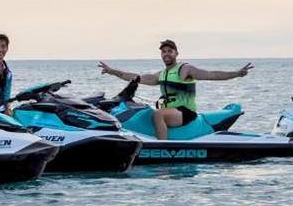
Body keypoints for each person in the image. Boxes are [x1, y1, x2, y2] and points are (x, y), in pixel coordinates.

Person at [98, 40, 253, 139]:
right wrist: (112, 71)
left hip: (186, 113)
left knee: (158, 114)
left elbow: (210, 75)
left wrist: (236, 74)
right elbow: (134, 76)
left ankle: (162, 147)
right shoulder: (162, 74)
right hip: (172, 112)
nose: (166, 54)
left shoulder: (185, 69)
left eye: (169, 51)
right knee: (148, 112)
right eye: (163, 51)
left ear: (176, 53)